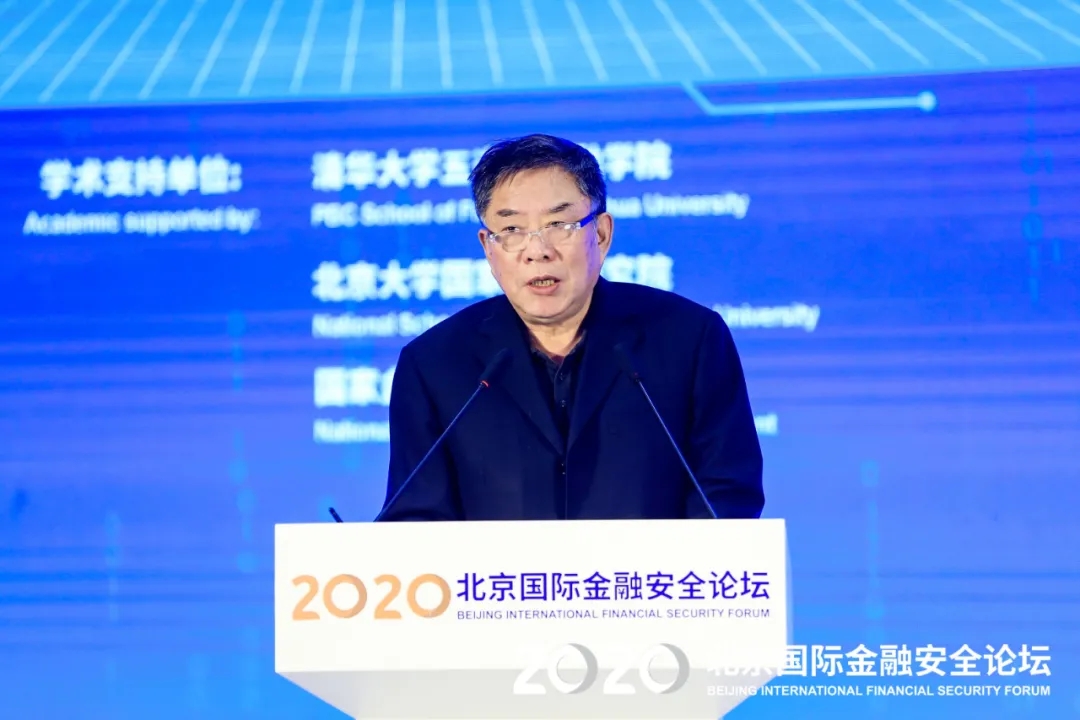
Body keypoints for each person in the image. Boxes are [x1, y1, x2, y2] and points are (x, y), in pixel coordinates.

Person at [378, 134, 763, 521]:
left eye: (559, 224)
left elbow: (726, 498)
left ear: (601, 234)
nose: (538, 251)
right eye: (511, 230)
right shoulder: (433, 364)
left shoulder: (691, 340)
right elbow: (415, 521)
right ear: (488, 248)